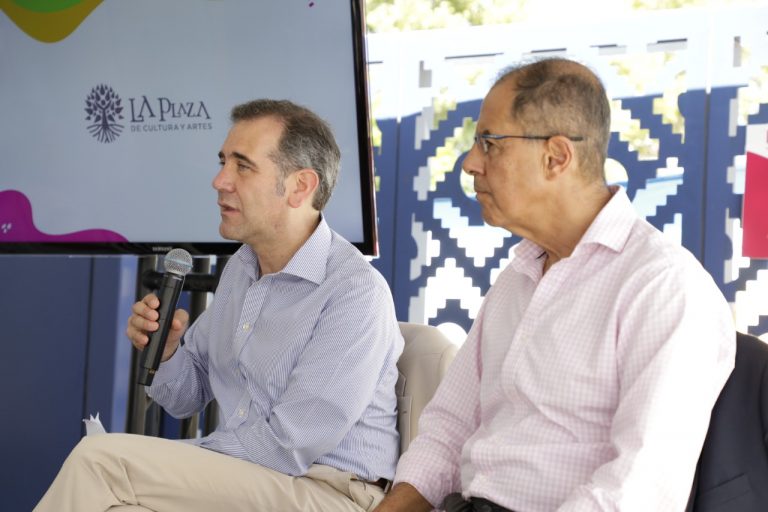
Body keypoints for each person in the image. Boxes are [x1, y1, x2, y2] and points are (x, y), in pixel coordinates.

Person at [374, 57, 735, 512]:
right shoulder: (518, 278)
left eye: (489, 143)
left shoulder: (662, 287)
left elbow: (637, 491)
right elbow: (447, 434)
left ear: (556, 156)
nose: (470, 163)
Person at [35, 99, 404, 512]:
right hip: (256, 479)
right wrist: (168, 351)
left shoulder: (354, 292)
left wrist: (180, 457)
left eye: (242, 166)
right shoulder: (242, 269)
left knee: (101, 463)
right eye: (223, 162)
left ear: (301, 186)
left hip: (329, 491)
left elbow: (288, 446)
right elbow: (184, 397)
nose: (219, 180)